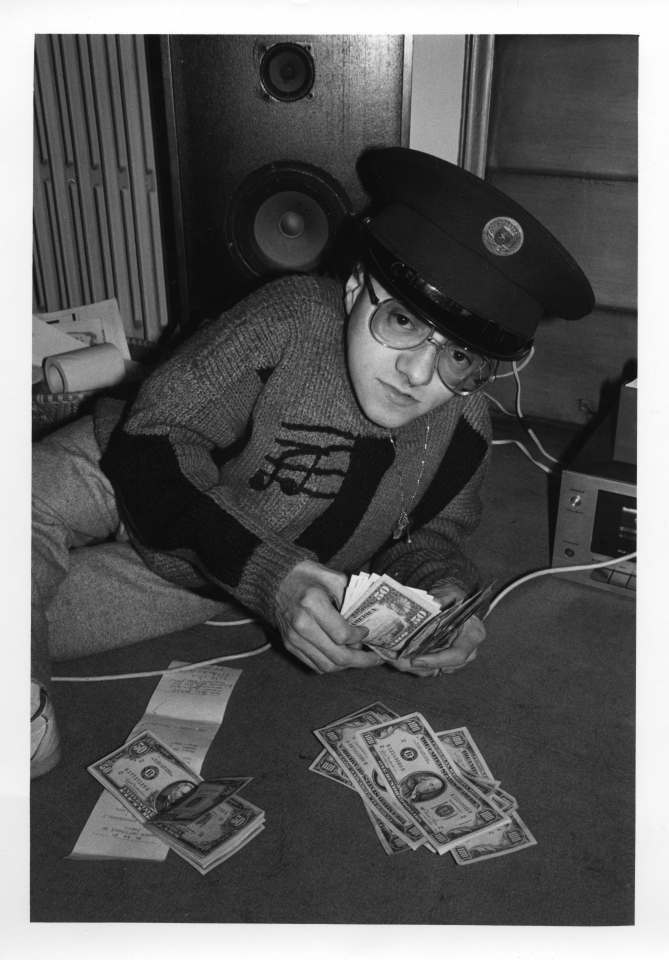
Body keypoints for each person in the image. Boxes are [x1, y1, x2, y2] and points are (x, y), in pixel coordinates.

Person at [30, 148, 595, 778]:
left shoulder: (464, 428)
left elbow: (430, 533)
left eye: (459, 357)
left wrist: (439, 594)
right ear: (355, 287)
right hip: (122, 465)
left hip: (202, 570)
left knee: (39, 624)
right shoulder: (288, 319)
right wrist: (274, 577)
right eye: (401, 320)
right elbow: (152, 441)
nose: (418, 374)